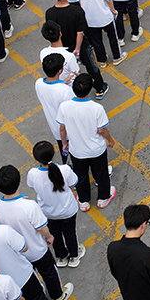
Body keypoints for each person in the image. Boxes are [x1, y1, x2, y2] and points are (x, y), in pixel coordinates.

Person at [0, 165, 73, 300]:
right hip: (37, 250)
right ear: (19, 181)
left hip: (19, 253)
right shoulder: (29, 206)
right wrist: (49, 237)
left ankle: (40, 295)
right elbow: (41, 227)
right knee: (49, 272)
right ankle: (58, 297)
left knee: (31, 277)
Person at [57, 74, 116, 211]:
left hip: (77, 150)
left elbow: (62, 128)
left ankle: (83, 201)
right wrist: (110, 140)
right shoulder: (96, 108)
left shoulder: (64, 107)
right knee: (101, 174)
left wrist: (65, 143)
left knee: (80, 175)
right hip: (97, 150)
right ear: (90, 90)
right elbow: (101, 130)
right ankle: (103, 198)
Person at [45, 0, 109, 99]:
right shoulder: (76, 11)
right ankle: (100, 88)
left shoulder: (50, 13)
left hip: (62, 47)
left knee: (68, 70)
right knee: (91, 66)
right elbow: (80, 32)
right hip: (80, 46)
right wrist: (77, 49)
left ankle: (74, 89)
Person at [28, 140, 81, 267]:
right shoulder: (64, 170)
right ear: (53, 153)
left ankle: (61, 257)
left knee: (54, 234)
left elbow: (31, 186)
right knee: (70, 233)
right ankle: (74, 256)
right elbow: (73, 183)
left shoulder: (33, 174)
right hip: (68, 210)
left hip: (48, 213)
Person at [78, 0, 123, 67]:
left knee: (96, 41)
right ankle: (117, 57)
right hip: (105, 17)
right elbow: (109, 0)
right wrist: (113, 10)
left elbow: (80, 0)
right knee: (113, 38)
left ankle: (102, 61)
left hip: (90, 18)